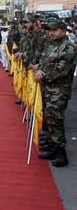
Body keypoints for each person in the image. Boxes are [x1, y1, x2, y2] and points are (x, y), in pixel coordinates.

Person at [34, 19, 76, 167]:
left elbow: (62, 69)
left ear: (63, 31)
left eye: (54, 30)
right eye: (49, 30)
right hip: (47, 89)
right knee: (48, 119)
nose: (50, 33)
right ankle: (52, 148)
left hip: (59, 90)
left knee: (55, 120)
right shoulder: (51, 45)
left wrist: (43, 74)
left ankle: (61, 153)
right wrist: (38, 68)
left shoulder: (68, 47)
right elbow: (45, 63)